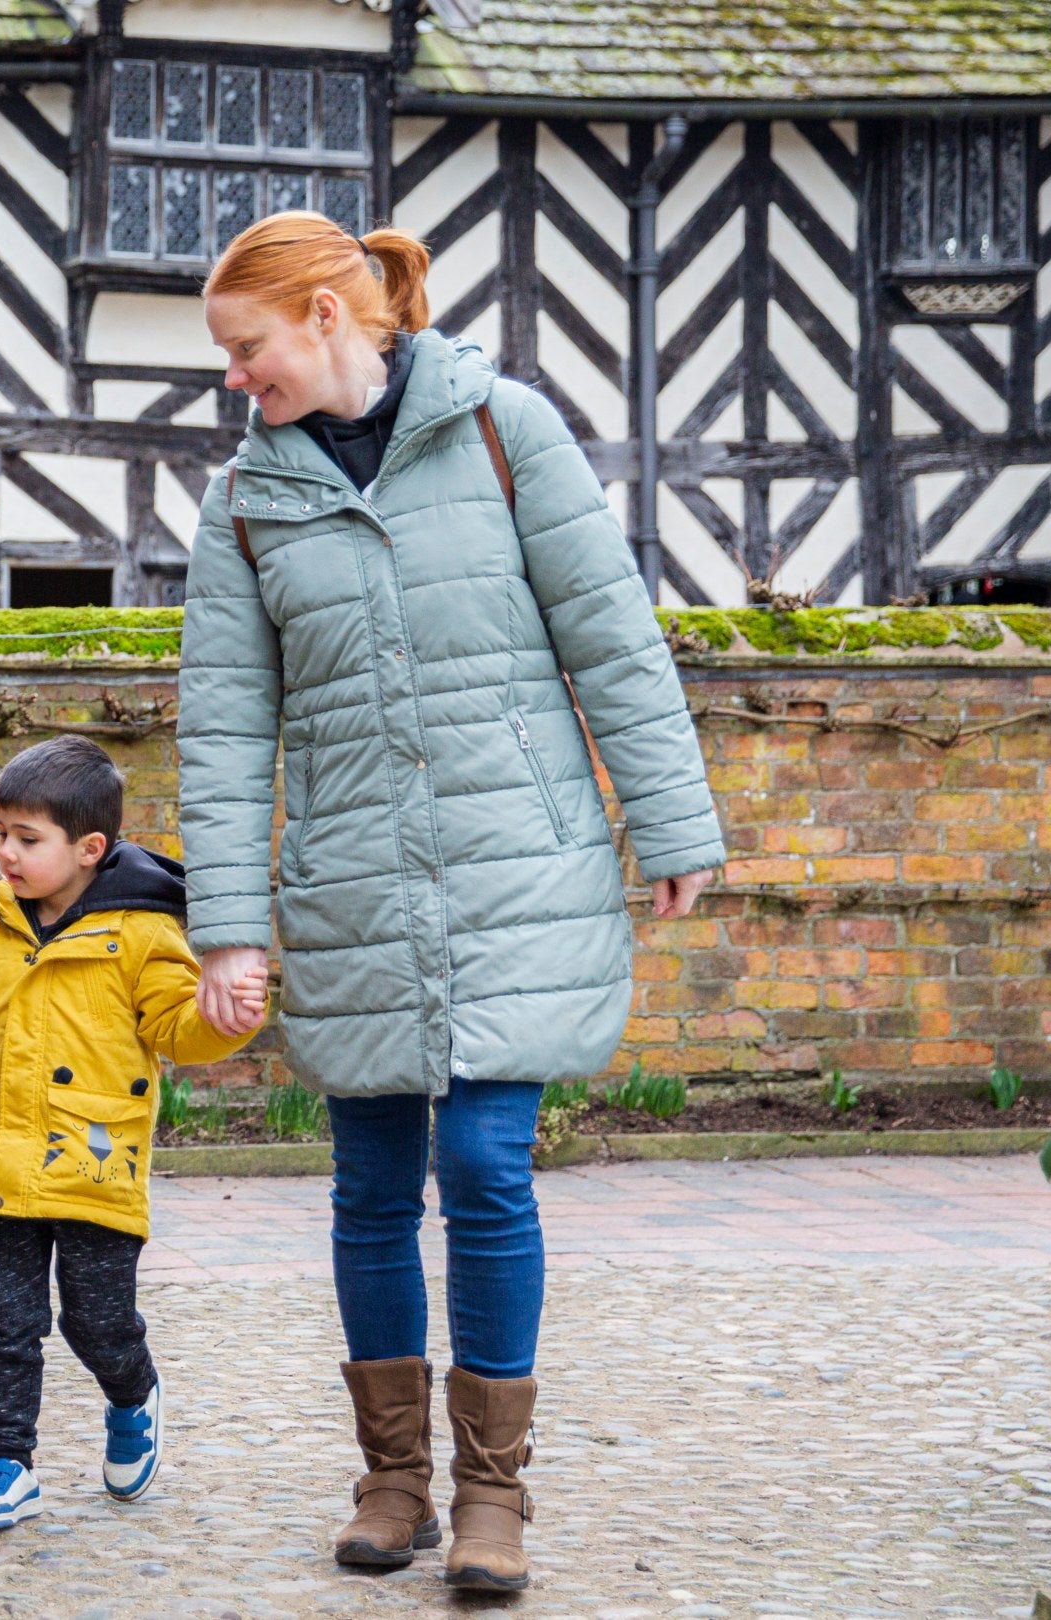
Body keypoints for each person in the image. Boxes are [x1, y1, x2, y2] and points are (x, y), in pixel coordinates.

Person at [179, 212, 725, 1592]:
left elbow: (611, 628)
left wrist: (672, 815)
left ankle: (493, 1496)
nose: (238, 384)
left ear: (322, 314)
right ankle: (392, 1482)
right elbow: (229, 727)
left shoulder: (504, 431)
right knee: (368, 1189)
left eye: (248, 353)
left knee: (483, 1168)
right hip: (356, 882)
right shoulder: (243, 502)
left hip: (516, 869)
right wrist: (231, 926)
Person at [0, 737, 265, 1533]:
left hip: (94, 1161)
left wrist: (223, 1022)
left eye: (29, 839)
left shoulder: (141, 934)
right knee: (7, 1321)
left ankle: (133, 1393)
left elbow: (174, 1028)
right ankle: (8, 1462)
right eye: (3, 834)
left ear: (89, 849)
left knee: (98, 1320)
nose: (7, 854)